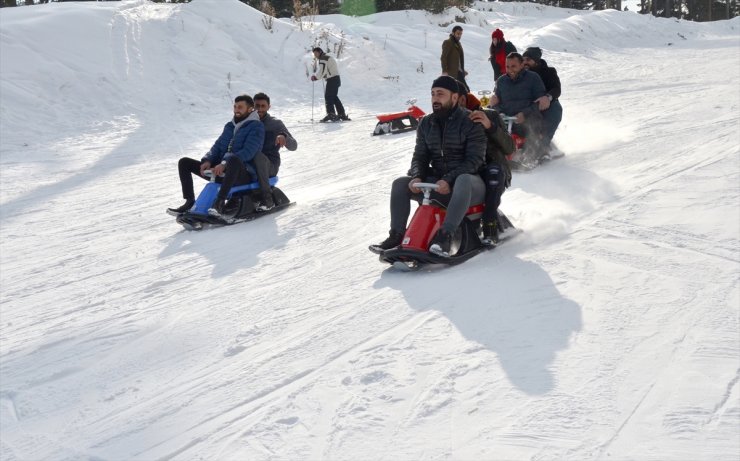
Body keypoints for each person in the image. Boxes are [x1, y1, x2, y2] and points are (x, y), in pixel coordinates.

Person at [369, 76, 486, 258]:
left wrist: (448, 179)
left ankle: (445, 236)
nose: (435, 99)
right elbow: (420, 156)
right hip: (440, 183)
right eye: (432, 94)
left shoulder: (470, 121)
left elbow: (474, 161)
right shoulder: (426, 123)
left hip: (470, 186)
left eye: (440, 94)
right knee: (400, 183)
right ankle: (397, 236)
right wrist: (417, 175)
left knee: (463, 179)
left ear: (454, 97)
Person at [167, 94, 265, 216]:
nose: (236, 110)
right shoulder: (230, 126)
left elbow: (248, 152)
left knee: (234, 159)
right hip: (223, 172)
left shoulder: (257, 127)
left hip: (243, 173)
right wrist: (207, 160)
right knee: (184, 162)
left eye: (240, 107)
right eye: (235, 107)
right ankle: (190, 201)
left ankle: (219, 203)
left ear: (250, 109)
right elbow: (217, 146)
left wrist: (224, 163)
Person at [488, 52, 547, 163]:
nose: (510, 70)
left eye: (513, 66)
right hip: (507, 120)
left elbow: (540, 103)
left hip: (528, 119)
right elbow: (496, 103)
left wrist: (524, 114)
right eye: (507, 66)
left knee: (531, 126)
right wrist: (497, 110)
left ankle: (533, 155)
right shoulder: (501, 81)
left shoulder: (533, 78)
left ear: (521, 65)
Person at [469, 108, 514, 246]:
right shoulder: (449, 119)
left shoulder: (490, 115)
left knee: (493, 174)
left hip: (494, 169)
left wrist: (490, 126)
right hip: (467, 169)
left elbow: (509, 147)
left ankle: (490, 223)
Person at [253, 92, 298, 207]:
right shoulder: (247, 122)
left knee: (258, 156)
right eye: (257, 105)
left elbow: (294, 146)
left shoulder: (275, 124)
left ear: (269, 107)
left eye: (263, 106)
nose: (259, 109)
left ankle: (267, 199)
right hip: (250, 163)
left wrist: (284, 136)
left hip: (270, 165)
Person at [522, 46, 562, 155]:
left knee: (555, 109)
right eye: (523, 59)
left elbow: (556, 89)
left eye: (528, 60)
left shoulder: (548, 72)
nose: (525, 62)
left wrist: (547, 97)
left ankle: (542, 147)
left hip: (545, 105)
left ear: (536, 61)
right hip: (526, 105)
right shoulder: (520, 73)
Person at [311, 47, 350, 123]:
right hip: (336, 79)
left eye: (316, 53)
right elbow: (327, 70)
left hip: (332, 80)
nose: (315, 55)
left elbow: (322, 71)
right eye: (314, 54)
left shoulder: (323, 58)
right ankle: (341, 114)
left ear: (320, 52)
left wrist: (315, 77)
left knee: (328, 96)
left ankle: (331, 114)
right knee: (334, 97)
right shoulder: (327, 57)